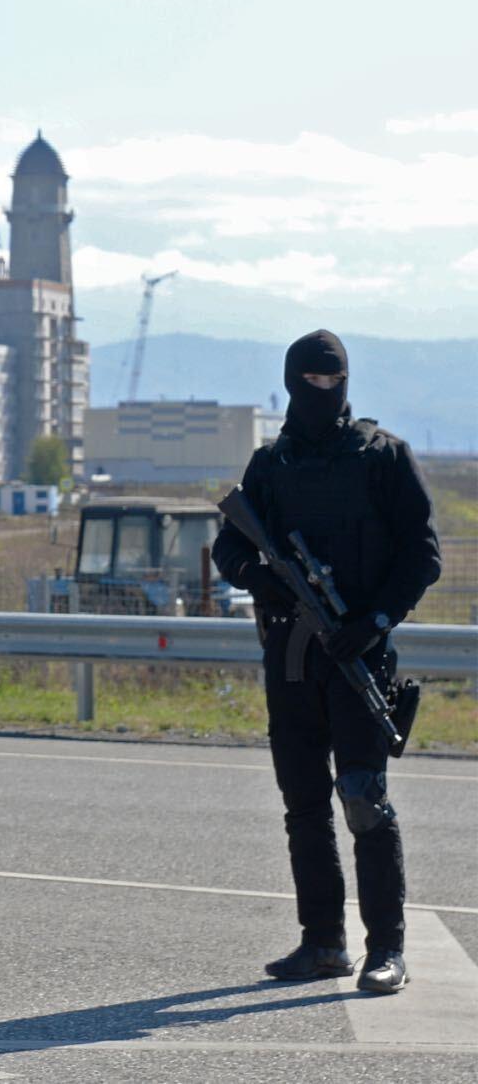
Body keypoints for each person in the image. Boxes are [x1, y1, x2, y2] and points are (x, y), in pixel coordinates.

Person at [212, 329, 440, 995]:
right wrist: (263, 576)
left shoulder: (382, 457)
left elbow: (422, 556)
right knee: (304, 802)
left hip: (359, 655)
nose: (321, 392)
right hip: (290, 655)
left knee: (364, 798)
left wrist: (374, 621)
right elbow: (229, 547)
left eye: (331, 380)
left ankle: (386, 950)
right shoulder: (270, 465)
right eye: (309, 381)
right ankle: (322, 942)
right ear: (290, 383)